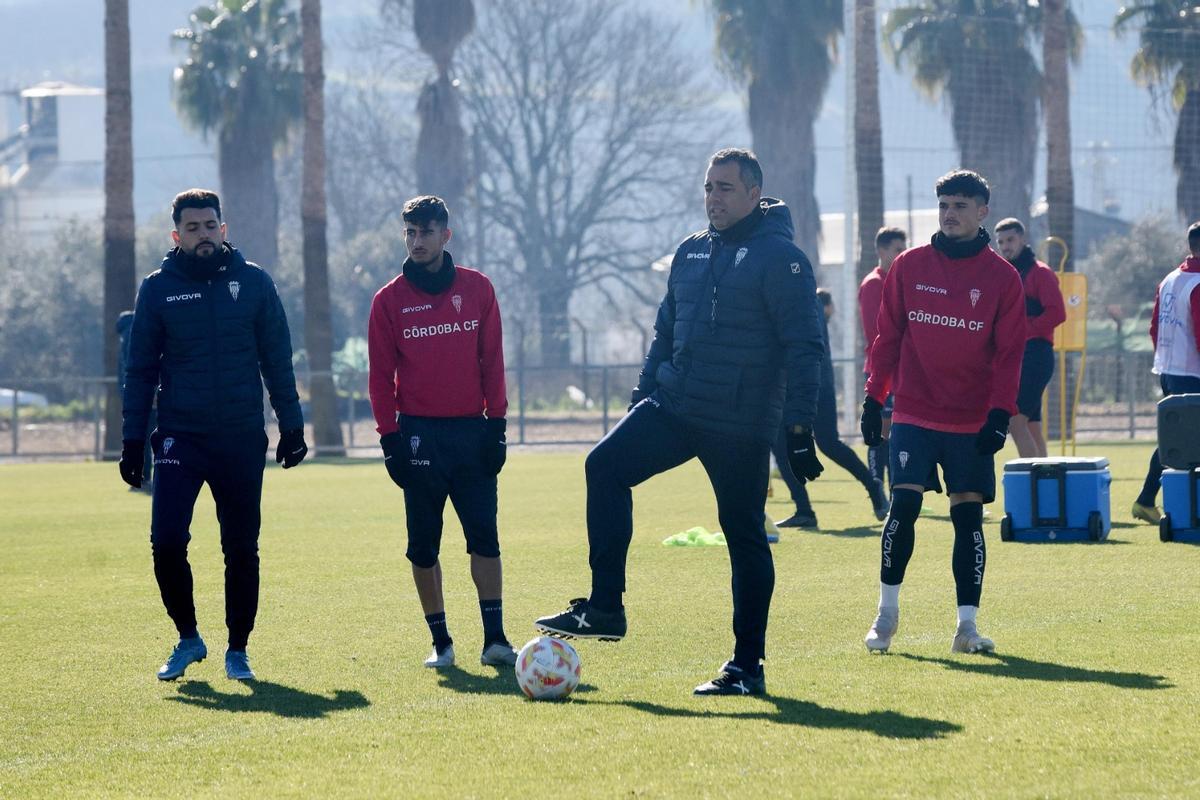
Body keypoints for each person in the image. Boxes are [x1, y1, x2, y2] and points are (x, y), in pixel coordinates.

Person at [534, 148, 825, 696]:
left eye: (726, 189)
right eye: (709, 187)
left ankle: (747, 666)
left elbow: (805, 347)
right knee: (604, 466)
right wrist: (643, 399)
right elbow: (664, 332)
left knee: (743, 535)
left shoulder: (783, 259)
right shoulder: (690, 252)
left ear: (754, 195)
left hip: (739, 423)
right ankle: (604, 608)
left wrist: (799, 428)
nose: (714, 198)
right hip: (677, 405)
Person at [120, 189, 307, 682]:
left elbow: (277, 360)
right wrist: (131, 442)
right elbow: (139, 371)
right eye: (193, 227)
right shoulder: (157, 289)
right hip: (180, 436)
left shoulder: (255, 283)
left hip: (242, 437)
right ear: (176, 235)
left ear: (224, 230)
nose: (203, 234)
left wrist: (291, 425)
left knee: (241, 548)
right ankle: (188, 638)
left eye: (211, 225)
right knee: (165, 542)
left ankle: (238, 650)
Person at [859, 170, 1025, 655]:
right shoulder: (909, 266)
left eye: (960, 206)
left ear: (982, 213)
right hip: (913, 410)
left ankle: (966, 628)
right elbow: (886, 339)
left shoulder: (1002, 278)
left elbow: (1010, 353)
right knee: (903, 507)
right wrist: (874, 398)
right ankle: (885, 618)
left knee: (968, 520)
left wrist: (1000, 414)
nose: (950, 214)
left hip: (971, 419)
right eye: (944, 205)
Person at [367, 195, 516, 669]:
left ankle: (495, 640)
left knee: (484, 539)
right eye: (409, 232)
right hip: (418, 438)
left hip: (471, 434)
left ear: (445, 235)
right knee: (423, 546)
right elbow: (379, 377)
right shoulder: (387, 300)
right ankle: (442, 643)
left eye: (425, 232)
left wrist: (498, 424)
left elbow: (492, 360)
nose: (416, 241)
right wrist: (389, 439)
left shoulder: (477, 288)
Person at [771, 288, 888, 529]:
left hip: (806, 385)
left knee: (802, 444)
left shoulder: (793, 297)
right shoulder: (801, 296)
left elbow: (795, 344)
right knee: (809, 443)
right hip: (810, 383)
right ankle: (808, 509)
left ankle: (808, 509)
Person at [1132, 221, 1200, 524]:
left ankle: (1147, 500)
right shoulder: (1197, 282)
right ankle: (1149, 499)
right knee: (1181, 439)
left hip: (1170, 369)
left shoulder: (1170, 279)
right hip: (1192, 373)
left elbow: (1154, 328)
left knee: (1180, 437)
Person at [994, 218, 1066, 458]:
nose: (1006, 246)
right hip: (1016, 357)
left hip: (1035, 355)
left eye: (1010, 240)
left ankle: (1032, 482)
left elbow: (1057, 312)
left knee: (1015, 421)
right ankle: (1046, 485)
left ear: (1023, 240)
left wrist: (1024, 329)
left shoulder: (1040, 273)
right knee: (1032, 426)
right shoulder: (1004, 275)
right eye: (1001, 241)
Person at [858, 227, 907, 487]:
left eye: (904, 249)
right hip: (881, 369)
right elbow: (875, 332)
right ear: (881, 251)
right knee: (883, 431)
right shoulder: (874, 284)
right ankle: (877, 488)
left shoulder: (900, 279)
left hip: (901, 370)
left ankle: (895, 490)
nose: (902, 254)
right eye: (898, 250)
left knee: (898, 432)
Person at [116, 310, 153, 493]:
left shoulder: (124, 334)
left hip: (130, 393)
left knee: (139, 435)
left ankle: (140, 476)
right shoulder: (137, 329)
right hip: (147, 395)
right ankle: (144, 477)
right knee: (148, 436)